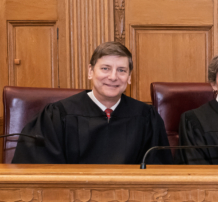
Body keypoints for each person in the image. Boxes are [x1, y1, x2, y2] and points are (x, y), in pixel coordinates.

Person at [13, 41, 170, 164]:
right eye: (105, 68)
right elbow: (39, 169)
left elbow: (158, 170)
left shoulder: (146, 117)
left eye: (121, 70)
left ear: (129, 77)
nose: (113, 77)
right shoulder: (58, 115)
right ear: (90, 71)